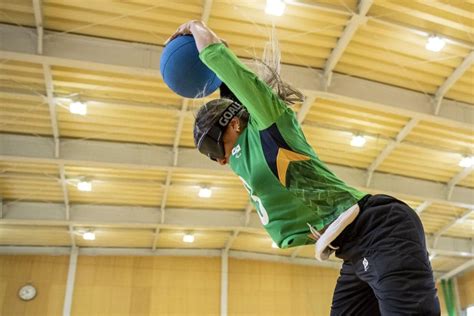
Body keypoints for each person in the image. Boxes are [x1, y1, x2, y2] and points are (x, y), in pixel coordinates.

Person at [166, 20, 440, 315]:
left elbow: (236, 76)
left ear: (234, 124)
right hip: (352, 249)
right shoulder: (239, 158)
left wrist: (196, 29)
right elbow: (231, 86)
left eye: (213, 146)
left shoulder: (269, 126)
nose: (217, 158)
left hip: (380, 230)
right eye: (208, 154)